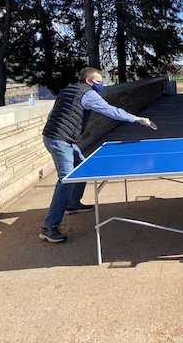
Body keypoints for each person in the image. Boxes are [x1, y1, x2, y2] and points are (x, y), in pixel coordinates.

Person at [40, 67, 153, 243]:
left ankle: (72, 204)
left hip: (57, 137)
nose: (102, 85)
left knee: (82, 166)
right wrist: (136, 119)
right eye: (99, 82)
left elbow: (54, 113)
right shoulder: (88, 94)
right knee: (66, 180)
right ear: (88, 81)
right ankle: (49, 227)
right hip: (59, 140)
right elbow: (111, 111)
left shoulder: (69, 89)